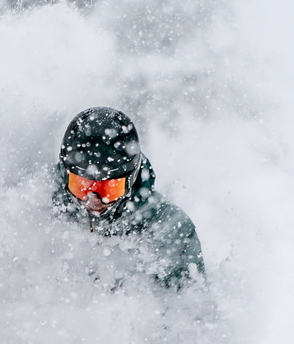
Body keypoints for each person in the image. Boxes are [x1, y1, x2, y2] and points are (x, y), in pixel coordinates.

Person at [52, 106, 204, 291]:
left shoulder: (168, 230)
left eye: (109, 189)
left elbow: (189, 310)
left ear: (131, 180)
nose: (94, 200)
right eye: (82, 186)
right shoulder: (41, 199)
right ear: (65, 173)